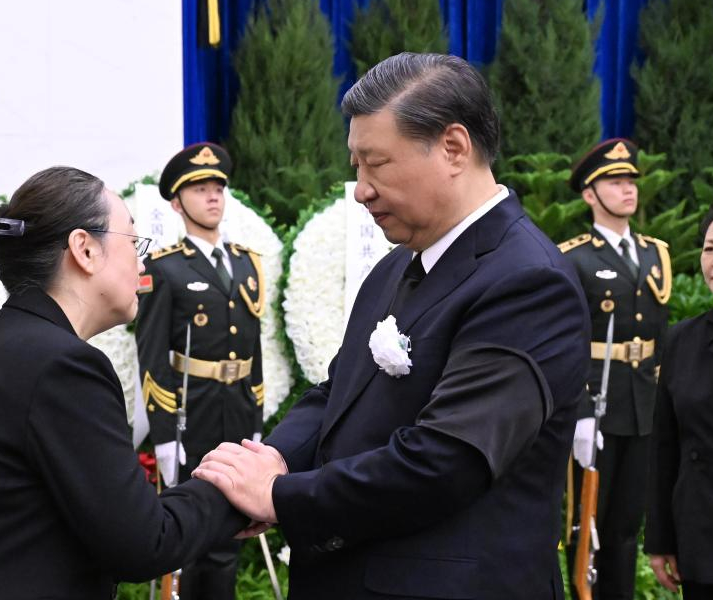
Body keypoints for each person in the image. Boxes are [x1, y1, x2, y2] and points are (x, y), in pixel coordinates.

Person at [194, 52, 590, 599]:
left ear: (453, 148)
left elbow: (445, 461)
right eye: (356, 166)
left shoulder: (526, 282)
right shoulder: (397, 264)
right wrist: (277, 457)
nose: (360, 189)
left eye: (375, 164)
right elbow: (339, 392)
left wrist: (282, 497)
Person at [0, 166, 245, 599]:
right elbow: (144, 543)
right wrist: (233, 490)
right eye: (133, 241)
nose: (141, 261)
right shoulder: (61, 366)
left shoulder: (11, 343)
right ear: (84, 250)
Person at [135, 142, 264, 600]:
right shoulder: (164, 268)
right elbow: (151, 356)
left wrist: (257, 422)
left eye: (217, 188)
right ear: (176, 202)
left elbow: (254, 349)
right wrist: (165, 436)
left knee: (233, 526)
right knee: (194, 531)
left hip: (237, 409)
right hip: (194, 410)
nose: (213, 197)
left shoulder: (247, 264)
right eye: (199, 189)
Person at [559, 138, 670, 599]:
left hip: (643, 404)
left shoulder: (654, 253)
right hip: (597, 408)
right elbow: (565, 345)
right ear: (590, 194)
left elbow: (659, 338)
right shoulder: (573, 258)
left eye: (630, 181)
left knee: (626, 526)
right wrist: (581, 411)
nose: (628, 190)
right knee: (587, 522)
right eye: (615, 182)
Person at [644, 207, 713, 599]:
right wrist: (659, 538)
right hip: (701, 538)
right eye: (710, 248)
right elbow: (665, 447)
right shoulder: (682, 341)